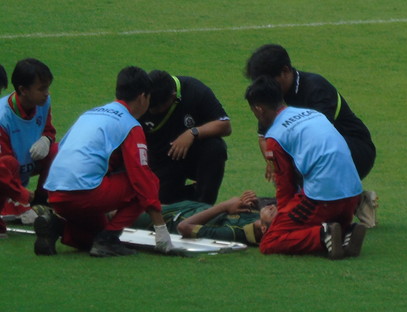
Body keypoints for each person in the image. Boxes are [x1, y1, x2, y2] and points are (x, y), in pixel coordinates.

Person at [35, 66, 173, 257]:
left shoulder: (91, 114)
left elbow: (62, 149)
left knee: (91, 237)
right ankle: (109, 240)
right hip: (83, 194)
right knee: (146, 183)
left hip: (55, 194)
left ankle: (56, 225)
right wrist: (160, 227)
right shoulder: (130, 125)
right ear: (143, 97)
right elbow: (141, 177)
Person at [244, 43, 377, 225]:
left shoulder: (316, 88)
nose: (264, 86)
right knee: (285, 166)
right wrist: (272, 162)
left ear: (285, 71)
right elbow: (264, 136)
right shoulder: (271, 94)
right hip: (322, 149)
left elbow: (322, 139)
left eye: (268, 80)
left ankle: (349, 199)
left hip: (355, 149)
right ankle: (351, 200)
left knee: (302, 164)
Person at [245, 76, 365, 259]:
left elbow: (284, 185)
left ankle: (323, 236)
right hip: (353, 195)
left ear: (259, 109)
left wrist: (282, 215)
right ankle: (345, 232)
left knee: (271, 240)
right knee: (314, 218)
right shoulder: (313, 114)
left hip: (324, 198)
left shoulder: (276, 136)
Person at [139, 71, 232, 205]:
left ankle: (203, 205)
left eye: (158, 108)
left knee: (215, 147)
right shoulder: (140, 98)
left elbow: (225, 125)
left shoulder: (195, 90)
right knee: (160, 203)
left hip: (191, 156)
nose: (152, 111)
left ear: (173, 96)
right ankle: (190, 195)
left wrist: (192, 132)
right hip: (159, 158)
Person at [0, 59, 58, 232]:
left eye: (47, 87)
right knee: (8, 163)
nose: (46, 93)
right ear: (23, 90)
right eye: (41, 89)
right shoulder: (3, 117)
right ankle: (12, 203)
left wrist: (46, 140)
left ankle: (42, 200)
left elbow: (49, 130)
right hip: (9, 173)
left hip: (27, 163)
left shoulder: (43, 103)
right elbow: (3, 166)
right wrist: (21, 195)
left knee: (57, 151)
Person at [133, 190, 272, 246]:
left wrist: (224, 206)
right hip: (186, 207)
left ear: (264, 229)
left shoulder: (232, 233)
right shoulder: (255, 217)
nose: (273, 208)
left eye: (273, 214)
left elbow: (184, 227)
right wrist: (251, 202)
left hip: (169, 219)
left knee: (118, 213)